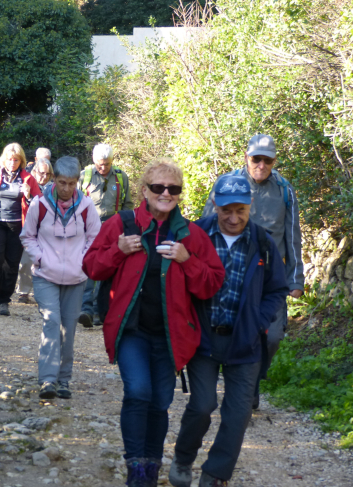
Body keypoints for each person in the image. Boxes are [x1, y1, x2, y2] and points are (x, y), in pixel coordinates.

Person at [82, 159, 225, 487]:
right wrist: (117, 250)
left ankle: (152, 463)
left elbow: (213, 281)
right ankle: (136, 467)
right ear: (144, 191)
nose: (166, 193)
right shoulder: (123, 223)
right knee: (139, 391)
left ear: (179, 194)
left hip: (170, 334)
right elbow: (91, 266)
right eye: (158, 187)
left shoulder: (190, 234)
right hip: (131, 331)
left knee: (160, 402)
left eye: (173, 189)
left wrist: (187, 260)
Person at [169, 175, 289, 487]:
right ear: (215, 205)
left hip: (245, 343)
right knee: (202, 404)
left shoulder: (261, 242)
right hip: (203, 338)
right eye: (226, 211)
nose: (233, 218)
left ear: (250, 207)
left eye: (240, 210)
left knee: (237, 415)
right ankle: (183, 458)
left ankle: (215, 474)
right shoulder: (195, 234)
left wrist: (258, 321)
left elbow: (277, 289)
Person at [202, 134, 304, 408]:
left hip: (269, 277)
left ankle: (253, 384)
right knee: (227, 329)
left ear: (274, 161)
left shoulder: (285, 190)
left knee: (271, 337)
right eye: (255, 158)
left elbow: (293, 236)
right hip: (230, 273)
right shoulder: (227, 183)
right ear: (246, 157)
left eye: (266, 160)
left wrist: (296, 278)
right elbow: (206, 226)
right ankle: (229, 385)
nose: (261, 164)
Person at [20, 156, 101, 400]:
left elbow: (95, 238)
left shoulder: (87, 207)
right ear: (54, 179)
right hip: (46, 275)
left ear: (77, 182)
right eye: (62, 182)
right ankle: (47, 380)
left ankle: (63, 380)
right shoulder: (39, 204)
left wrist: (82, 261)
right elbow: (27, 236)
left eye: (72, 183)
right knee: (51, 322)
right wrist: (40, 258)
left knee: (68, 330)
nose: (66, 188)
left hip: (76, 278)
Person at [0, 143, 42, 316]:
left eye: (16, 160)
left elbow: (39, 204)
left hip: (17, 225)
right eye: (9, 159)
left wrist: (28, 197)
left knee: (11, 264)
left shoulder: (28, 178)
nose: (12, 163)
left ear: (21, 161)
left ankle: (4, 301)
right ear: (3, 159)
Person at [78, 143, 134, 328]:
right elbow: (76, 203)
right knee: (91, 266)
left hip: (113, 227)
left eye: (107, 164)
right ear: (94, 161)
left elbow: (128, 204)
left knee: (109, 267)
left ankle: (99, 309)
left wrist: (124, 226)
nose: (103, 168)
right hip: (89, 226)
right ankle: (86, 309)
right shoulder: (84, 176)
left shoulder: (121, 177)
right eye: (100, 164)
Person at [16, 156, 54, 304]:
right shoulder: (27, 184)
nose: (44, 177)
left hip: (48, 230)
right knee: (26, 261)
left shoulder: (54, 189)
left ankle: (42, 292)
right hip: (30, 228)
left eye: (47, 174)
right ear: (34, 171)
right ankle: (24, 292)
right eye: (41, 173)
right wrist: (27, 196)